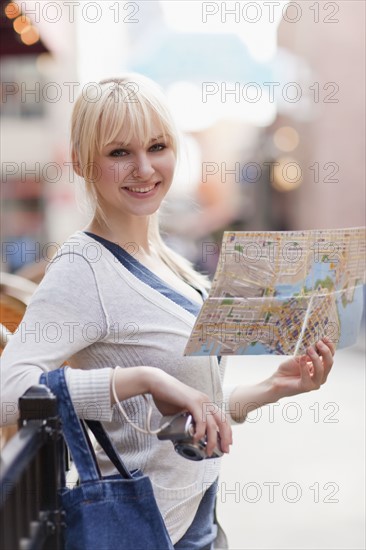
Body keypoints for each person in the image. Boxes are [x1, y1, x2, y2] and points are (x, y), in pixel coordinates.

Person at [1, 74, 335, 549]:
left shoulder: (170, 259)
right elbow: (6, 392)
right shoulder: (83, 266)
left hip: (197, 527)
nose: (144, 168)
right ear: (81, 162)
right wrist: (142, 379)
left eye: (157, 146)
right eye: (119, 153)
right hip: (140, 533)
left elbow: (180, 418)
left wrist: (273, 388)